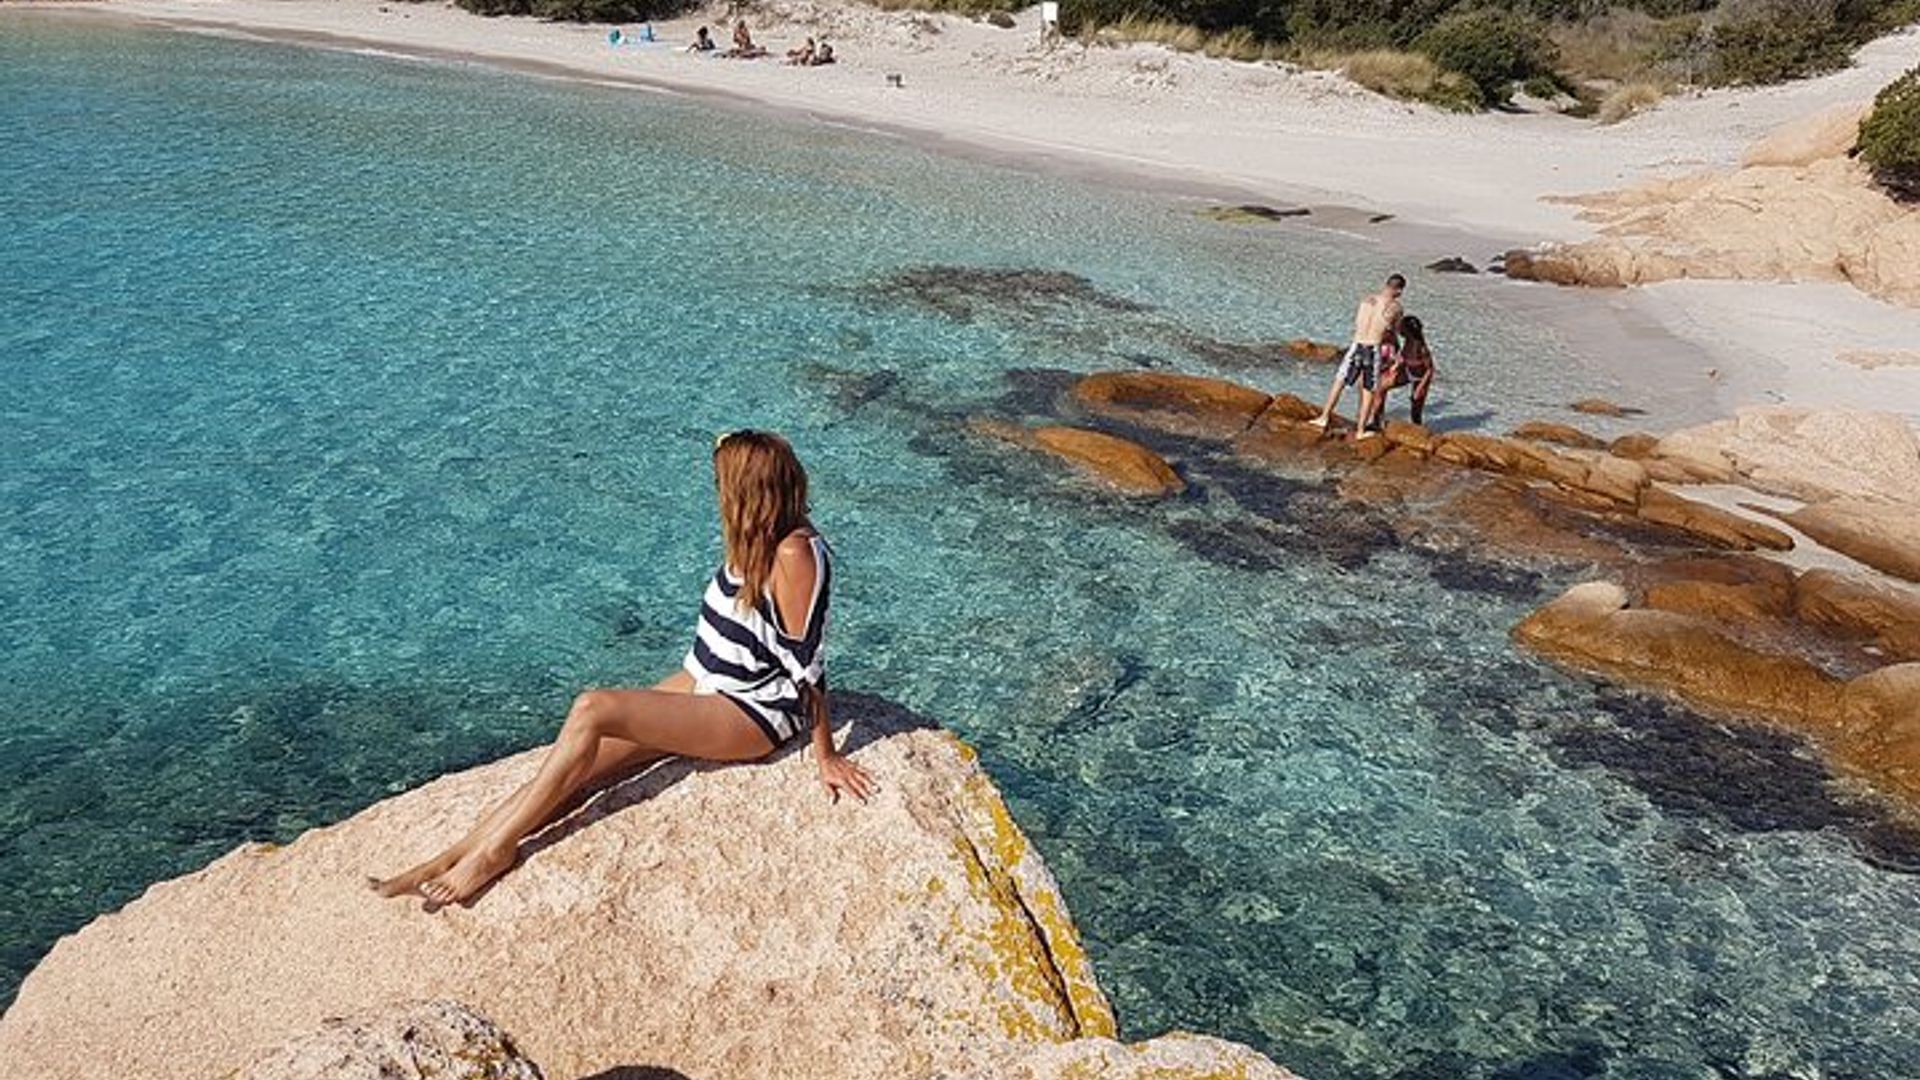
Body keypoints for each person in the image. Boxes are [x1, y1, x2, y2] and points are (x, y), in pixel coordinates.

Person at [370, 431, 873, 907]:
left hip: (751, 711)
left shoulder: (794, 553)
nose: (716, 490)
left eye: (721, 481)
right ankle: (451, 856)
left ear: (748, 491)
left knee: (592, 708)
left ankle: (494, 853)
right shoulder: (760, 537)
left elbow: (808, 663)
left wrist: (826, 754)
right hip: (707, 681)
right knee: (575, 764)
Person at [1311, 273, 1405, 437]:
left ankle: (1323, 417)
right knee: (1369, 390)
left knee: (1339, 382)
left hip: (1356, 345)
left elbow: (1358, 322)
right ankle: (1360, 431)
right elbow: (1393, 332)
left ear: (1386, 284)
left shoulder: (1366, 300)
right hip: (1373, 348)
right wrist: (1397, 354)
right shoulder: (1396, 307)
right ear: (1399, 290)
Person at [1363, 315, 1436, 430]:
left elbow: (1430, 369)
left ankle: (1419, 430)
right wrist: (1395, 367)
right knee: (1380, 387)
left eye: (1401, 327)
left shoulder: (1421, 348)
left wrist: (1420, 387)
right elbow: (1403, 358)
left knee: (1416, 409)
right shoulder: (1407, 341)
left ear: (1408, 331)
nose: (1399, 329)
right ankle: (1377, 421)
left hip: (1421, 377)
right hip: (1407, 371)